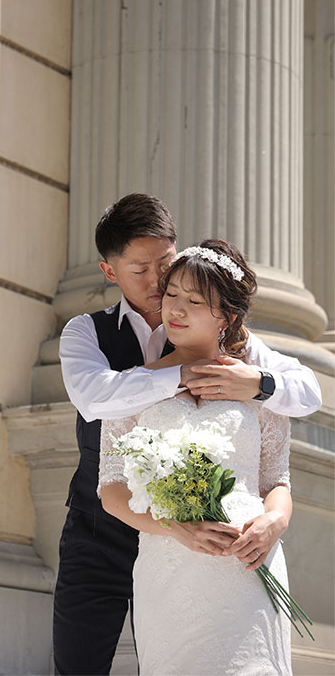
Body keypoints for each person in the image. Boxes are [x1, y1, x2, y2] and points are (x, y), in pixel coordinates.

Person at [53, 194, 321, 676]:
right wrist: (181, 372)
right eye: (141, 269)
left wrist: (257, 383)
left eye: (166, 264)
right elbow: (94, 399)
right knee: (79, 663)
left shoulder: (238, 344)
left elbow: (304, 395)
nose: (160, 285)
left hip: (232, 556)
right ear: (109, 270)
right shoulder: (86, 333)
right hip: (103, 530)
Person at [99, 240, 293, 674]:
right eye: (171, 295)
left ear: (226, 316)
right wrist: (175, 528)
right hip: (169, 568)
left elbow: (276, 482)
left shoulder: (256, 385)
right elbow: (111, 490)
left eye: (193, 301)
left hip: (249, 562)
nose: (175, 310)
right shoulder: (133, 387)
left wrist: (273, 524)